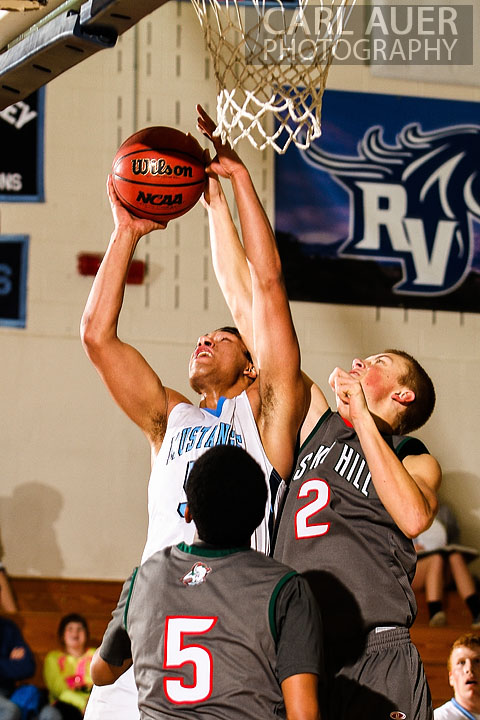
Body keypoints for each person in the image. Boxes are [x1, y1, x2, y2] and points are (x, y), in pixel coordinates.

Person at [199, 109, 443, 718]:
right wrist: (216, 199)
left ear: (404, 395)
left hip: (375, 652)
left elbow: (412, 517)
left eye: (379, 360)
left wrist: (361, 414)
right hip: (300, 657)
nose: (362, 360)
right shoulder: (319, 425)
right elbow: (252, 305)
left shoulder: (416, 458)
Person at [80, 108, 305, 719]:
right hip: (149, 624)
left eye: (224, 338)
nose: (205, 341)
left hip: (227, 630)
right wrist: (125, 231)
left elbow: (263, 287)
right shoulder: (171, 419)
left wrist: (232, 185)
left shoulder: (269, 421)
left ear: (254, 364)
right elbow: (98, 338)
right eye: (201, 336)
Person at [90, 445, 323, 720]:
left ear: (188, 512)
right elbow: (303, 714)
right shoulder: (286, 589)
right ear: (259, 516)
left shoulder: (145, 578)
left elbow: (101, 673)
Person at [413, 504, 480, 628]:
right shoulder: (403, 507)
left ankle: (477, 612)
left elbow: (455, 543)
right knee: (436, 559)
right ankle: (435, 612)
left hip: (443, 567)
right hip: (417, 566)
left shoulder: (444, 512)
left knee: (455, 556)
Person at [38, 614, 95, 720]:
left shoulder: (95, 655)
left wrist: (90, 704)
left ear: (86, 634)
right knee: (49, 713)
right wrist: (82, 704)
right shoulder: (53, 658)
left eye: (80, 629)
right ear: (62, 635)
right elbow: (59, 690)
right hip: (64, 707)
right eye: (70, 629)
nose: (75, 633)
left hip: (94, 704)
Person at [434, 633, 480, 719]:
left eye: (477, 661)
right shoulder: (439, 717)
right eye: (461, 662)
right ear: (451, 677)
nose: (469, 669)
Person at [0, 615, 36, 720]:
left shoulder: (7, 627)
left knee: (45, 712)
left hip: (8, 693)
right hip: (7, 703)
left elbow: (28, 667)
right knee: (10, 710)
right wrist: (10, 662)